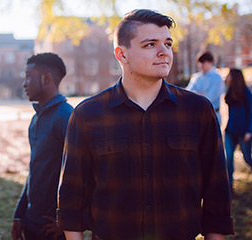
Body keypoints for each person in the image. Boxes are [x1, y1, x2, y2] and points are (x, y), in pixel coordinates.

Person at [57, 9, 233, 240]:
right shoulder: (88, 114)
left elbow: (217, 190)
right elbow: (71, 193)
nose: (164, 52)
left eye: (168, 44)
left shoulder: (197, 110)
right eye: (150, 45)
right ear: (121, 55)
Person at [11, 52, 73, 240]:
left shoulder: (66, 117)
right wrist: (19, 214)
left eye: (29, 76)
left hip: (52, 227)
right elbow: (34, 170)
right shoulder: (35, 119)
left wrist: (67, 220)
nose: (24, 83)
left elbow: (84, 173)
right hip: (31, 221)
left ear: (46, 79)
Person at [224, 68, 252, 189]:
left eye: (229, 75)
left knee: (247, 158)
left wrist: (249, 131)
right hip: (230, 130)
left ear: (234, 77)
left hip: (243, 131)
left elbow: (251, 112)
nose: (227, 77)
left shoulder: (246, 92)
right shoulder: (229, 91)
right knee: (228, 158)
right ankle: (229, 184)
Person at [186, 51, 225, 123]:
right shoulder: (196, 77)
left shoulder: (217, 78)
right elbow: (187, 93)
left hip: (213, 115)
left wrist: (196, 94)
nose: (201, 65)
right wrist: (200, 95)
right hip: (197, 116)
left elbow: (210, 98)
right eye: (200, 63)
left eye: (203, 63)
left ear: (210, 62)